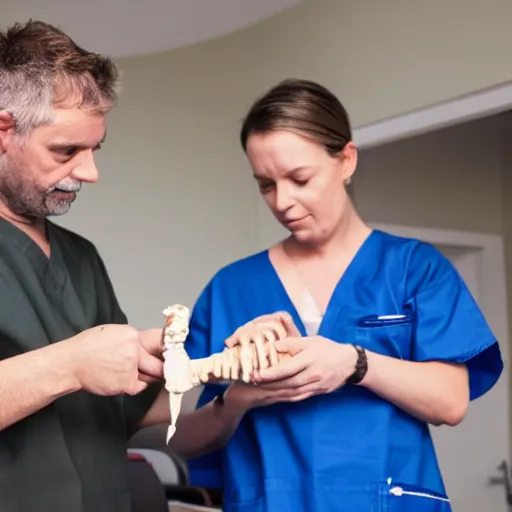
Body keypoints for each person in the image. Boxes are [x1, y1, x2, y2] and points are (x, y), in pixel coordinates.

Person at [168, 78, 504, 511]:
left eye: (299, 178)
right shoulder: (233, 287)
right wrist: (237, 400)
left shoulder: (413, 269)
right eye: (266, 185)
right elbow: (183, 439)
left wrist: (354, 362)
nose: (283, 202)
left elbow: (451, 401)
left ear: (346, 160)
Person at [0, 20, 172, 512]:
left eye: (95, 149)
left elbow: (127, 412)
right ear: (4, 131)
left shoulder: (81, 257)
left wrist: (225, 376)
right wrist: (73, 364)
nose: (90, 173)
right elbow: (80, 365)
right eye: (66, 150)